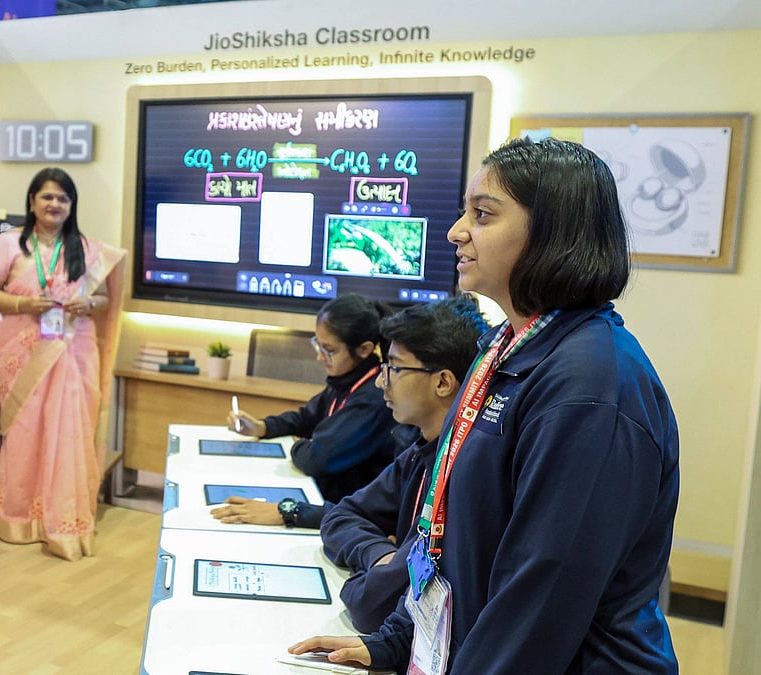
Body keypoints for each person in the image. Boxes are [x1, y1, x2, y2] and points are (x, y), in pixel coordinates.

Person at [291, 137, 680, 673]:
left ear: (552, 234)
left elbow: (539, 598)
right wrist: (399, 641)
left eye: (483, 214)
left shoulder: (591, 383)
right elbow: (456, 541)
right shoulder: (503, 349)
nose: (456, 231)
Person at [0, 167, 126, 561]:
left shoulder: (88, 249)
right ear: (32, 201)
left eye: (62, 198)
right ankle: (20, 518)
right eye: (47, 197)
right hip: (22, 353)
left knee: (69, 432)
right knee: (26, 432)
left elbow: (106, 302)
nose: (54, 204)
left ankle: (65, 521)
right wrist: (25, 304)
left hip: (73, 351)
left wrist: (90, 303)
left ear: (71, 206)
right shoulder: (10, 244)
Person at [320, 296, 487, 632]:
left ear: (442, 382)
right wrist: (380, 556)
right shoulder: (420, 449)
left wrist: (376, 575)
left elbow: (369, 605)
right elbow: (341, 516)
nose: (382, 381)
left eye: (394, 368)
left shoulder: (463, 472)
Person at [221, 294, 401, 509]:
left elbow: (318, 458)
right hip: (322, 497)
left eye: (330, 350)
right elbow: (306, 417)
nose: (320, 357)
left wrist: (298, 445)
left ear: (364, 349)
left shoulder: (373, 397)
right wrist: (262, 427)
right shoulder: (345, 379)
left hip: (346, 512)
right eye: (318, 345)